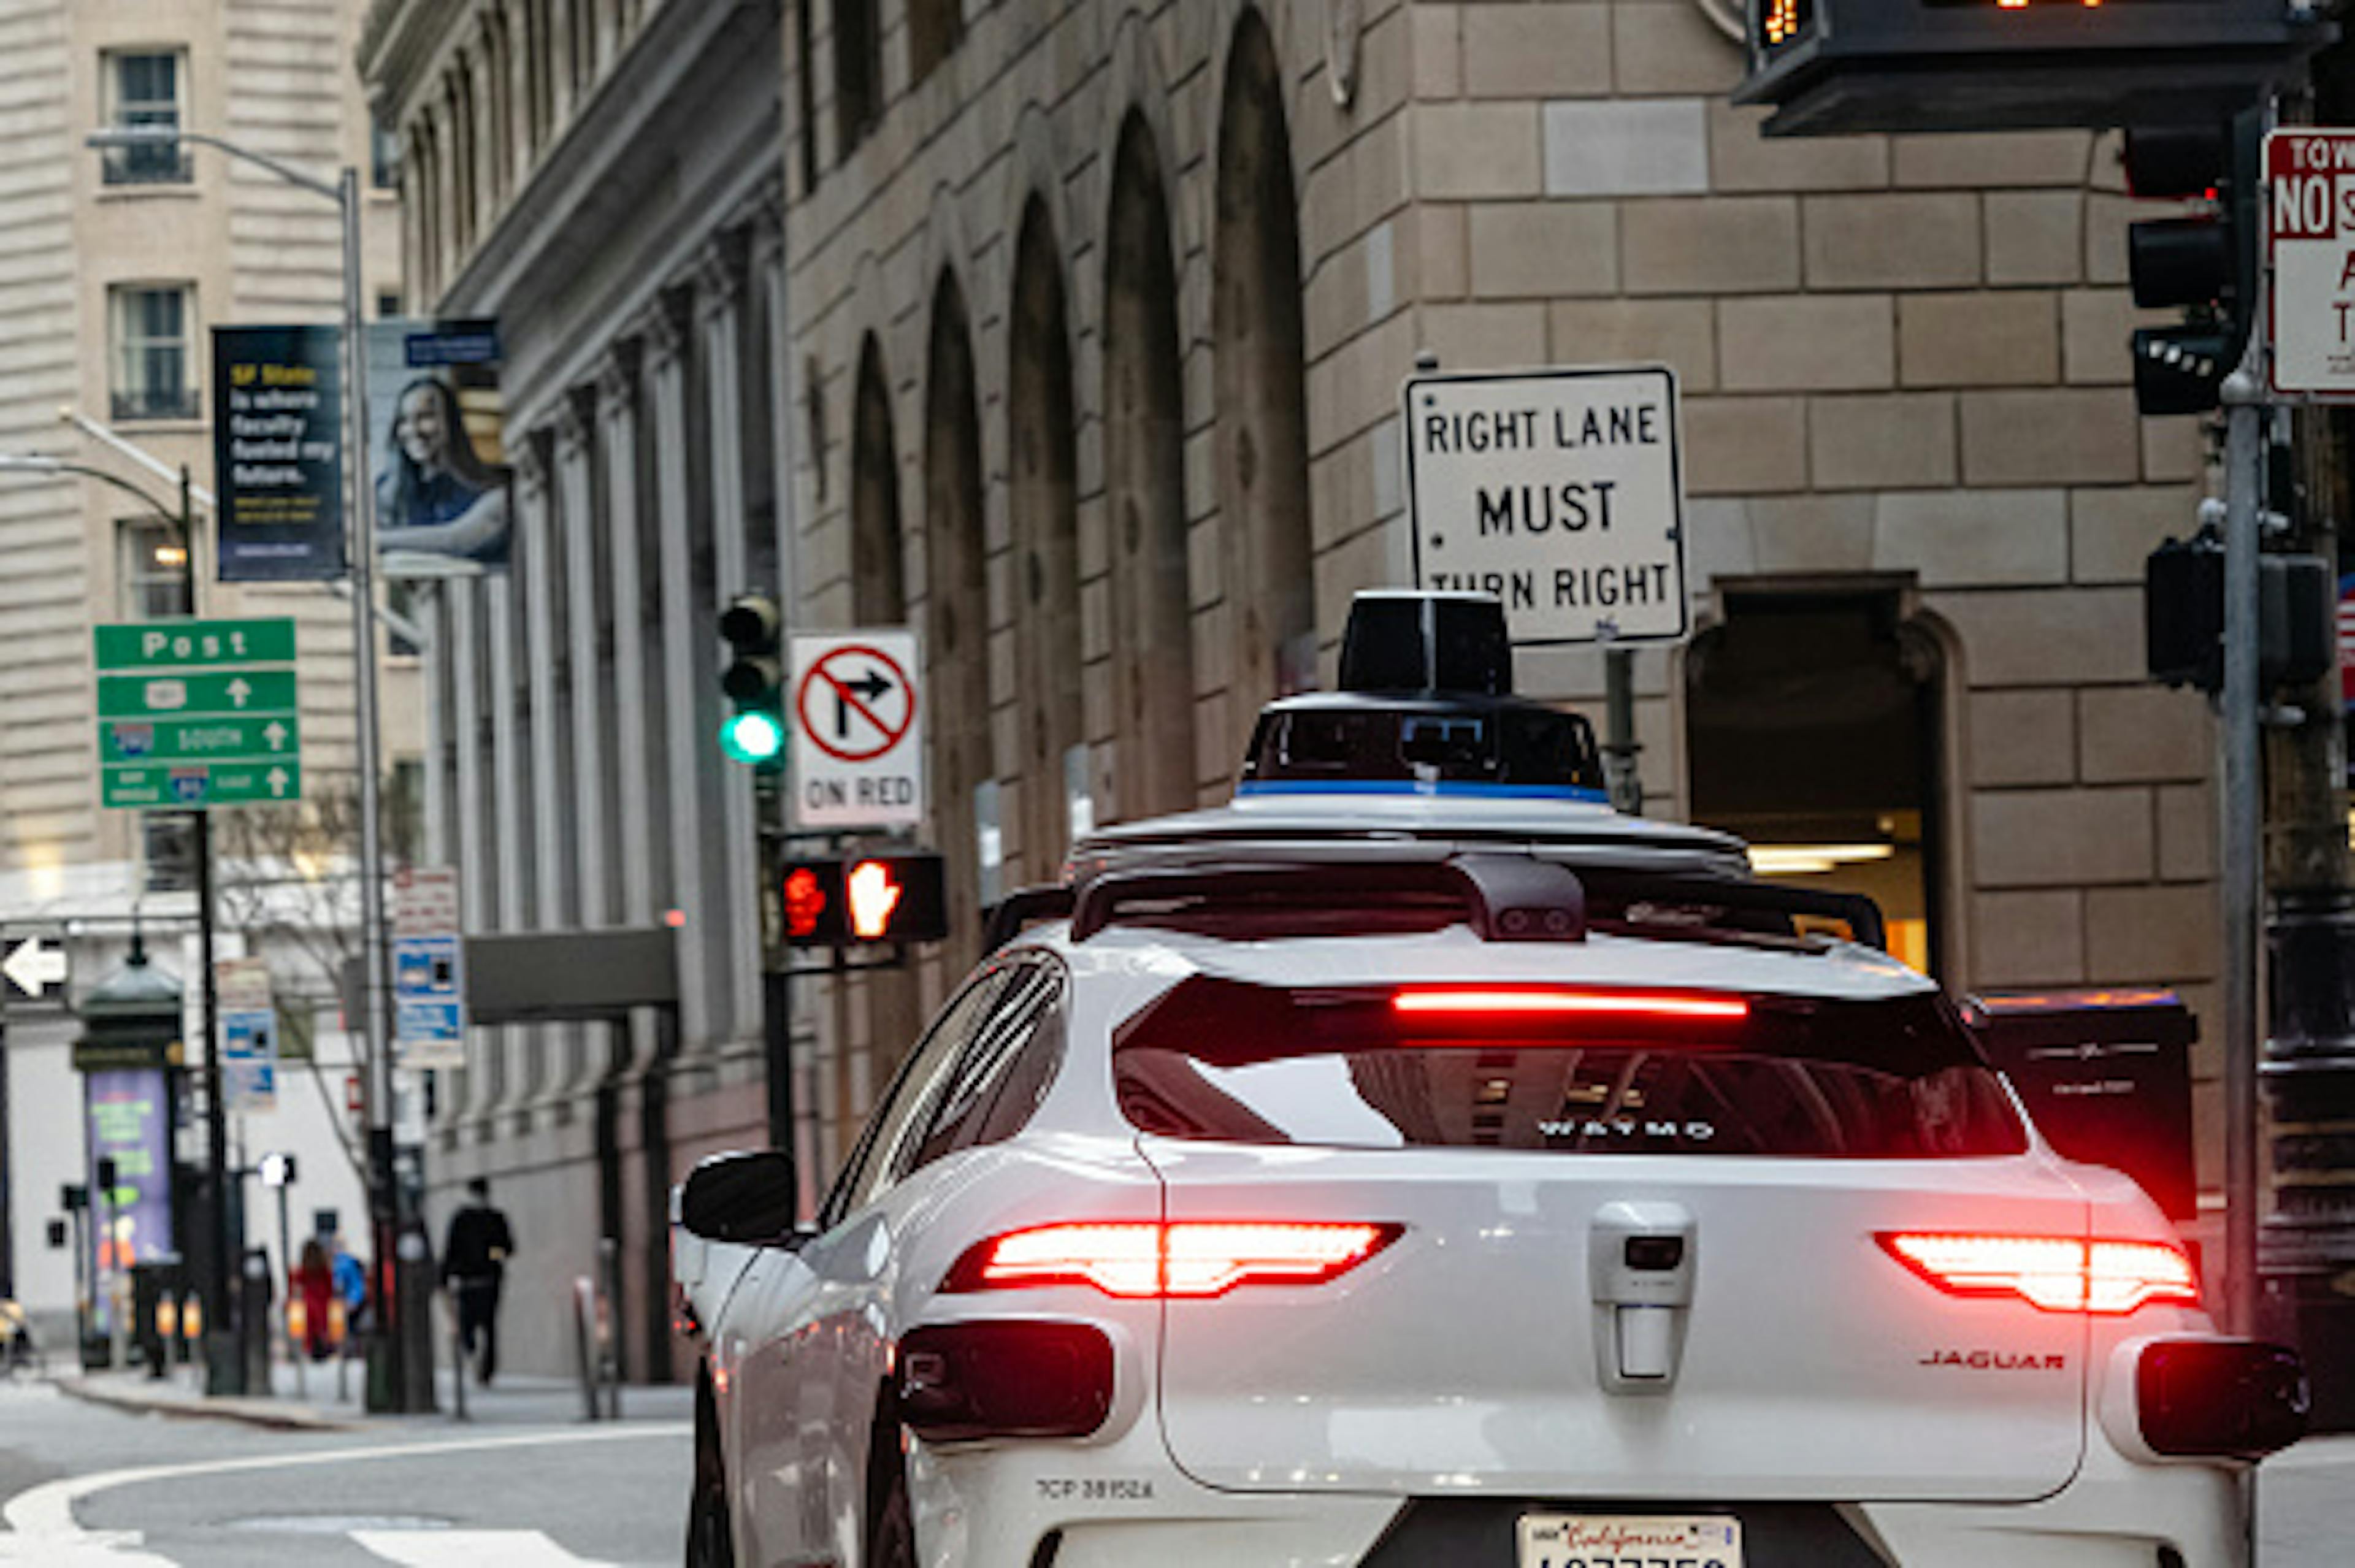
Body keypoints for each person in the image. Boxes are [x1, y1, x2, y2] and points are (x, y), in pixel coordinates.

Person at [375, 375, 511, 565]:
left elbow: (458, 540)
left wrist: (373, 540)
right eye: (404, 420)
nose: (413, 430)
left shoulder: (490, 490)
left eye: (425, 417)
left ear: (451, 423)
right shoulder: (387, 491)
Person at [441, 1177, 515, 1386]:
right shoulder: (467, 1219)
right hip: (477, 1278)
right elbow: (452, 1249)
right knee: (476, 1323)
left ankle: (484, 1366)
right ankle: (478, 1359)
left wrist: (490, 1256)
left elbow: (507, 1248)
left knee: (484, 1323)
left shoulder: (490, 1218)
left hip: (481, 1278)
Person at [294, 1238, 335, 1361]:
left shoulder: (303, 1273)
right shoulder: (324, 1273)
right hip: (319, 1309)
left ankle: (315, 1344)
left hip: (315, 1309)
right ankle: (321, 1342)